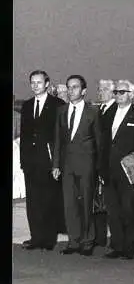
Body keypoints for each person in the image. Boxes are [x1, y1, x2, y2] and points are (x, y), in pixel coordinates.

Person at [52, 75, 102, 256]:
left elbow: (99, 141)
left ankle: (88, 241)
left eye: (74, 87)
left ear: (84, 91)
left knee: (87, 202)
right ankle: (73, 241)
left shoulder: (93, 112)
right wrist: (56, 164)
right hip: (67, 165)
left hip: (87, 164)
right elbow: (58, 140)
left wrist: (99, 168)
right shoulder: (61, 111)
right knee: (69, 204)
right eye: (68, 87)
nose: (70, 91)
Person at [20, 70, 65, 251]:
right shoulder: (27, 105)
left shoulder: (57, 104)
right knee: (33, 200)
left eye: (39, 82)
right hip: (31, 161)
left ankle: (48, 239)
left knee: (49, 199)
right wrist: (23, 160)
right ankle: (36, 237)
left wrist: (57, 162)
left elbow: (61, 135)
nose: (35, 85)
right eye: (32, 82)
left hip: (48, 160)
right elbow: (24, 135)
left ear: (47, 84)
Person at [100, 80, 134, 260]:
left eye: (122, 92)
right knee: (113, 210)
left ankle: (129, 246)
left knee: (128, 209)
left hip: (129, 169)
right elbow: (102, 142)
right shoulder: (108, 113)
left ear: (131, 94)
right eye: (116, 92)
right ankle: (116, 245)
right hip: (109, 169)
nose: (118, 95)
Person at [94, 79, 118, 249]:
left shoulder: (116, 109)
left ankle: (117, 240)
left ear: (112, 92)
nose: (100, 92)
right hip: (97, 162)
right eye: (99, 89)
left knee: (112, 202)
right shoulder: (98, 110)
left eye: (104, 89)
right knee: (98, 202)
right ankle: (100, 237)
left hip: (110, 162)